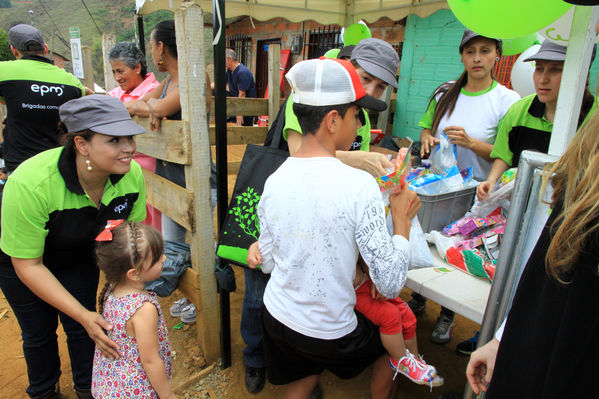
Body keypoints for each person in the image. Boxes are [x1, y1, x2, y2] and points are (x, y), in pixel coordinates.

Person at [246, 57, 421, 399]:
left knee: (302, 369)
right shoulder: (358, 185)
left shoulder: (276, 178)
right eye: (357, 116)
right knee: (395, 336)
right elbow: (388, 282)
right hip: (329, 332)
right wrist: (401, 222)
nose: (361, 127)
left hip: (278, 316)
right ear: (332, 120)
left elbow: (266, 260)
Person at [0, 95, 147, 399]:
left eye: (130, 137)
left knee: (85, 324)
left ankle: (89, 388)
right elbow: (28, 264)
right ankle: (44, 391)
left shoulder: (130, 175)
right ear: (81, 144)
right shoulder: (32, 184)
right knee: (38, 330)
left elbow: (129, 236)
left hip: (78, 252)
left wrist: (125, 290)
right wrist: (81, 313)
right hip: (22, 261)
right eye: (114, 140)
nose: (129, 147)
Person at [466, 101, 599, 399]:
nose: (544, 78)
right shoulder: (584, 181)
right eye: (540, 68)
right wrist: (504, 339)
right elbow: (547, 274)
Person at [410, 29, 520, 345]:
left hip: (478, 199)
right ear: (461, 56)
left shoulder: (507, 100)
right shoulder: (446, 92)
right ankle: (418, 297)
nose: (477, 58)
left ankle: (447, 314)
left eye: (485, 51)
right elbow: (425, 129)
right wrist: (427, 139)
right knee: (426, 245)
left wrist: (472, 143)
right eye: (470, 51)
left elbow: (509, 154)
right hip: (437, 187)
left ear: (497, 54)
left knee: (455, 257)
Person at [477, 40, 595, 201]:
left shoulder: (594, 118)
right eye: (539, 69)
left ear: (582, 73)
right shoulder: (519, 110)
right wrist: (491, 181)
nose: (543, 79)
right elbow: (504, 155)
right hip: (518, 208)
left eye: (555, 70)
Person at [284, 38, 401, 177]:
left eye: (381, 87)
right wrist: (360, 160)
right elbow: (298, 152)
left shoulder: (362, 120)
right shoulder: (308, 96)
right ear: (349, 68)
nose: (370, 92)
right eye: (366, 78)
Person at [92, 221, 173, 399]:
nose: (164, 258)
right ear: (134, 273)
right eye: (158, 257)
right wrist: (169, 396)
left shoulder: (111, 289)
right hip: (135, 390)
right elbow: (150, 361)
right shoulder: (143, 309)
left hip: (111, 384)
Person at [0, 24, 85, 173]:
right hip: (59, 165)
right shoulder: (72, 82)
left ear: (13, 50)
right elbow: (85, 97)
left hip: (21, 168)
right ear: (45, 49)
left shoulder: (4, 72)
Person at [353, 256, 444, 388]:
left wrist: (375, 279)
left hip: (364, 281)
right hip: (348, 292)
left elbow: (360, 255)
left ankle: (416, 363)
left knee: (406, 314)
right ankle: (401, 360)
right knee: (391, 315)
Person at [107, 42, 161, 231]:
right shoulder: (116, 93)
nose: (117, 77)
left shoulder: (154, 90)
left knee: (152, 219)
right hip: (123, 169)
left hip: (151, 168)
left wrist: (130, 107)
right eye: (114, 72)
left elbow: (155, 108)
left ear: (137, 67)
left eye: (120, 71)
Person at [225, 48, 257, 126]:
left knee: (244, 131)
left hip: (245, 108)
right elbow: (218, 84)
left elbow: (242, 94)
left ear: (230, 59)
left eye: (224, 60)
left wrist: (239, 114)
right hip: (236, 105)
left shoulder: (243, 72)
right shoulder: (229, 71)